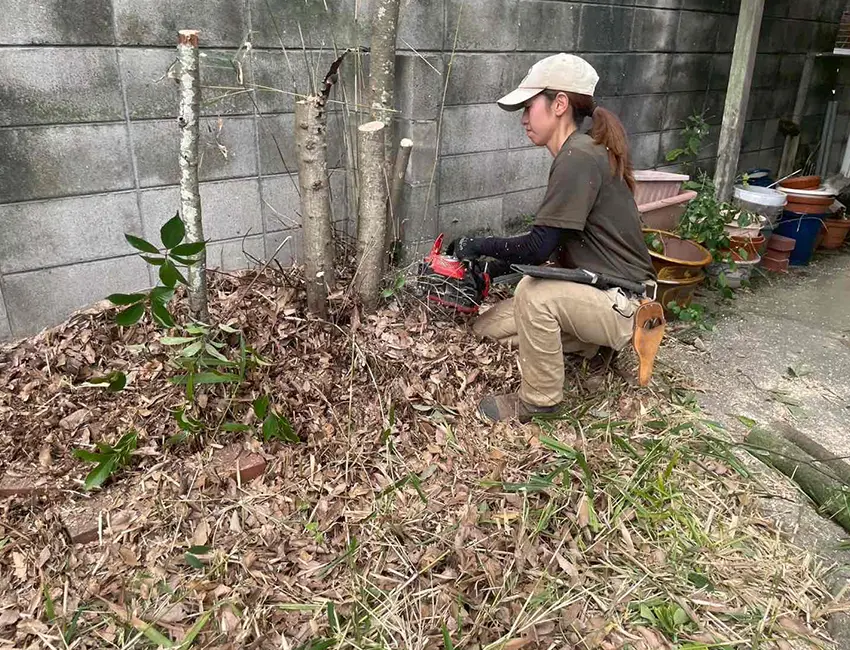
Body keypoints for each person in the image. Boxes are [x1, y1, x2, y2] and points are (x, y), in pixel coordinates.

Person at [447, 53, 656, 423]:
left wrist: (477, 245)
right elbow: (557, 242)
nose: (525, 118)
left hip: (625, 302)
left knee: (534, 294)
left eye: (529, 106)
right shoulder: (580, 151)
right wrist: (494, 269)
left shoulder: (579, 156)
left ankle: (539, 401)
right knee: (487, 329)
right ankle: (590, 346)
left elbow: (539, 245)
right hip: (598, 291)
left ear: (559, 104)